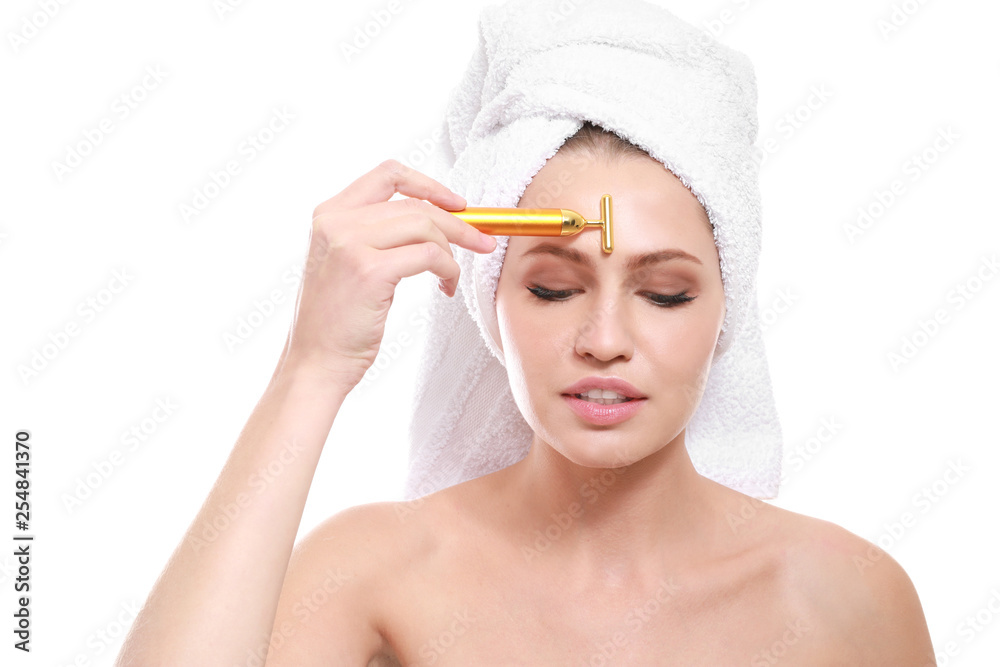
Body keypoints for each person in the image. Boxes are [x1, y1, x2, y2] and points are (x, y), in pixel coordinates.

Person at [116, 122, 934, 665]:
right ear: (489, 306)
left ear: (727, 315)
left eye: (666, 294)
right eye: (552, 289)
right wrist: (311, 367)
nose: (605, 338)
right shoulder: (378, 570)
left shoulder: (847, 598)